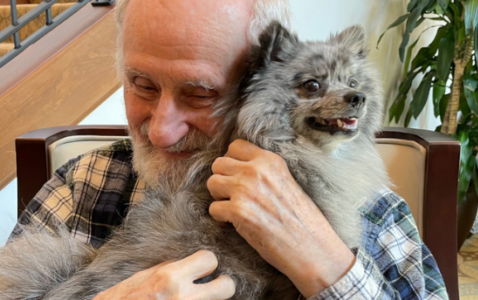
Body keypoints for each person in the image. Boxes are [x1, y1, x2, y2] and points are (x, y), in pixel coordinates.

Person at [9, 0, 449, 299]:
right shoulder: (86, 184)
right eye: (141, 85)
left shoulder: (374, 211)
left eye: (201, 94)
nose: (162, 131)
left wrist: (326, 261)